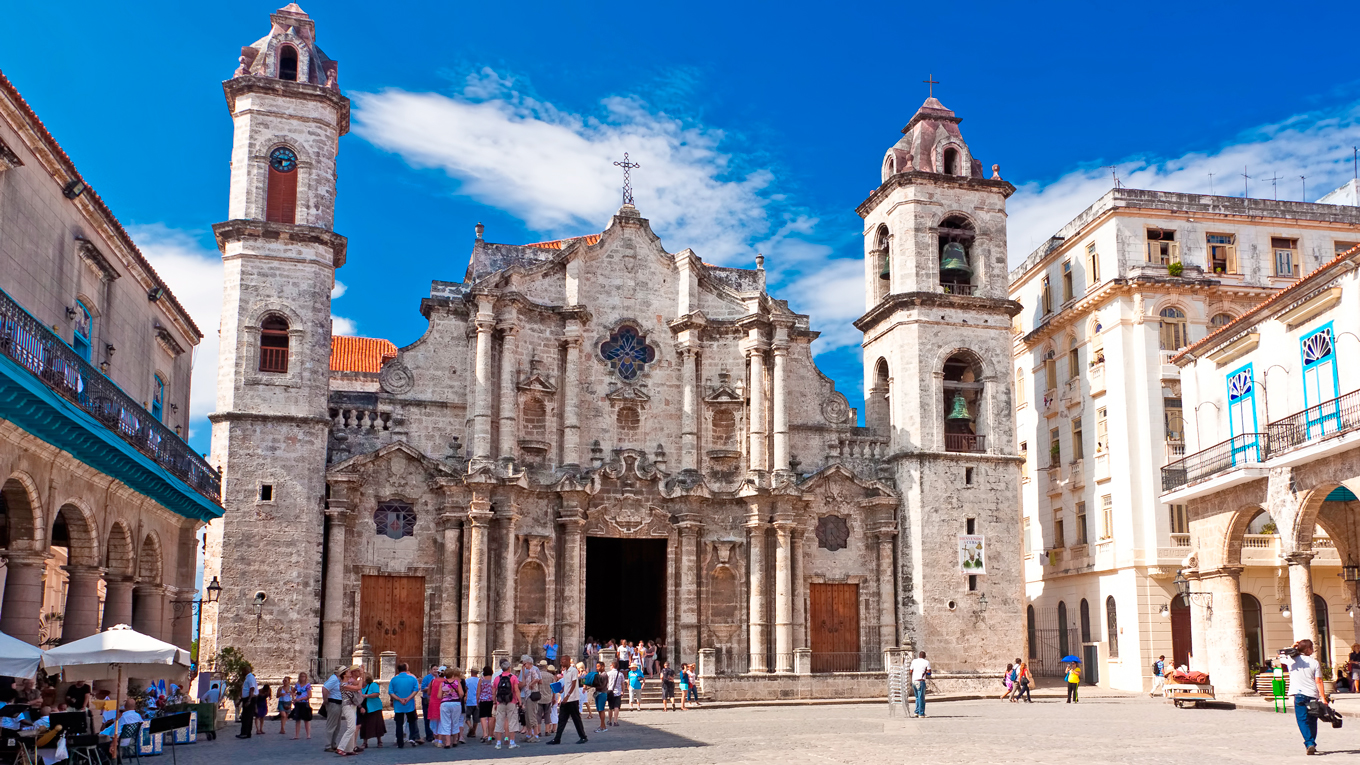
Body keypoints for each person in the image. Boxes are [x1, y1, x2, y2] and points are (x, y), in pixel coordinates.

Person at [1281, 639, 1329, 755]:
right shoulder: (1314, 662)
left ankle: (1309, 742)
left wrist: (1292, 647)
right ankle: (1311, 741)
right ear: (1308, 649)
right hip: (1312, 694)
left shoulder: (1291, 661)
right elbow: (1318, 681)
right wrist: (1323, 697)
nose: (1312, 650)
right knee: (1312, 720)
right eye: (1311, 647)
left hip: (1299, 695)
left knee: (1302, 720)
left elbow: (1281, 655)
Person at [547, 660, 587, 745]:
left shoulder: (574, 677)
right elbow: (561, 690)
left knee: (576, 719)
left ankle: (583, 737)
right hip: (565, 701)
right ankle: (557, 738)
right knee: (562, 719)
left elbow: (575, 686)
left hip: (572, 700)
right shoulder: (564, 679)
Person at [387, 663, 422, 748]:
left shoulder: (394, 679)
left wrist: (399, 699)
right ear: (406, 669)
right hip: (409, 704)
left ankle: (400, 741)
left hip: (398, 705)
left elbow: (390, 692)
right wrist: (408, 698)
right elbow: (416, 689)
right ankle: (412, 738)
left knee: (399, 724)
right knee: (412, 722)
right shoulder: (412, 678)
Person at [490, 658, 520, 749]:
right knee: (512, 722)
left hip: (500, 702)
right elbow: (516, 690)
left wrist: (494, 702)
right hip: (511, 701)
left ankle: (498, 743)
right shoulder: (513, 677)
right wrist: (520, 701)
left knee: (499, 722)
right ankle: (512, 742)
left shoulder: (497, 678)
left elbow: (494, 691)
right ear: (509, 668)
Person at [335, 667, 364, 756]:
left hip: (353, 705)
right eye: (347, 671)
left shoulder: (348, 683)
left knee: (353, 727)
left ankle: (349, 749)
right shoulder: (343, 685)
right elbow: (359, 687)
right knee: (351, 727)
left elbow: (360, 684)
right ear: (344, 674)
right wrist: (362, 674)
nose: (349, 672)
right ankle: (341, 747)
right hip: (347, 706)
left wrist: (362, 674)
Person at [437, 667, 464, 749]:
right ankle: (455, 741)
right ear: (452, 675)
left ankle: (447, 742)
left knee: (445, 723)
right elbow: (461, 693)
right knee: (455, 722)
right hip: (456, 703)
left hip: (445, 704)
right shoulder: (457, 682)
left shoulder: (442, 684)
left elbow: (439, 696)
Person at [519, 655, 543, 741]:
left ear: (528, 663)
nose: (524, 666)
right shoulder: (527, 670)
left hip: (531, 694)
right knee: (527, 716)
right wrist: (522, 670)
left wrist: (531, 684)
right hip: (527, 694)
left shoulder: (533, 670)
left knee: (532, 715)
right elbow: (523, 682)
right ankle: (529, 734)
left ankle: (535, 735)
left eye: (525, 664)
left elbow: (538, 679)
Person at [322, 666, 346, 752]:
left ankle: (333, 743)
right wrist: (325, 700)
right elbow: (325, 688)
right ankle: (328, 745)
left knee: (337, 725)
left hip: (338, 703)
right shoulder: (334, 679)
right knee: (331, 725)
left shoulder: (337, 680)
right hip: (333, 703)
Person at [359, 672, 386, 747]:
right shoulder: (360, 686)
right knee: (364, 724)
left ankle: (379, 741)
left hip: (374, 707)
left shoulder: (373, 685)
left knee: (377, 724)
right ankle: (365, 742)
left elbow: (376, 694)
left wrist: (366, 695)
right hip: (364, 707)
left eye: (362, 678)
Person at [237, 664, 258, 738]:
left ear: (246, 671)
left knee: (246, 717)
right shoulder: (248, 678)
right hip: (247, 698)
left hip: (249, 698)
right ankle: (246, 733)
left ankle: (245, 733)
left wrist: (249, 700)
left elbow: (252, 689)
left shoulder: (250, 678)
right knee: (247, 716)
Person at [291, 672, 313, 739]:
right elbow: (293, 691)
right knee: (297, 719)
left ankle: (308, 735)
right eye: (301, 676)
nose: (302, 678)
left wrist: (300, 699)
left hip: (304, 702)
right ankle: (297, 735)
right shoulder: (297, 685)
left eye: (304, 676)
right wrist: (293, 698)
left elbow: (309, 695)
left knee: (306, 719)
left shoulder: (308, 685)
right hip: (298, 703)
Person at [420, 663, 439, 743]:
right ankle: (429, 735)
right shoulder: (427, 678)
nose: (435, 671)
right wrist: (430, 688)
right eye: (434, 669)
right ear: (430, 670)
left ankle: (437, 734)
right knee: (427, 718)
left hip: (437, 700)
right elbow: (422, 688)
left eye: (436, 669)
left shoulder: (440, 677)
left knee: (436, 718)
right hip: (427, 700)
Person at [476, 666, 495, 742]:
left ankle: (485, 734)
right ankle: (491, 734)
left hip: (483, 699)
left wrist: (477, 700)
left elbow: (478, 691)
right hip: (491, 699)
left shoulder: (482, 680)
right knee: (491, 717)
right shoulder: (493, 679)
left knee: (483, 717)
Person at [910, 651, 930, 718]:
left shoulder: (914, 661)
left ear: (919, 655)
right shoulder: (926, 662)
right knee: (921, 697)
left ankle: (916, 711)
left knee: (917, 697)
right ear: (925, 656)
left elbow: (910, 671)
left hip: (914, 681)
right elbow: (929, 672)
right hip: (921, 681)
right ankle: (921, 713)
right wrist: (926, 673)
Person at [462, 667, 480, 743]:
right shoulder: (480, 681)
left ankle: (470, 727)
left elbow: (465, 689)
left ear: (471, 672)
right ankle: (474, 732)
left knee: (467, 717)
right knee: (476, 718)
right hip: (477, 701)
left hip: (469, 700)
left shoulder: (467, 680)